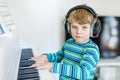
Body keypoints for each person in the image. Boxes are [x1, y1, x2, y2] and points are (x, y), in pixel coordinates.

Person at [30, 4, 101, 80]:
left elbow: (82, 73)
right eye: (74, 27)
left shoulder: (92, 50)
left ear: (93, 29)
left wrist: (53, 66)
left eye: (84, 27)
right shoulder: (68, 43)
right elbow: (58, 56)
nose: (78, 32)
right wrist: (46, 57)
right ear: (68, 28)